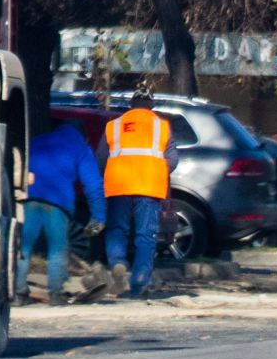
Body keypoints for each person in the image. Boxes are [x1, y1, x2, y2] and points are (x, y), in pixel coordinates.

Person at [100, 92, 178, 299]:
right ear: (151, 105)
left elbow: (101, 157)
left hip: (119, 184)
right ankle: (140, 282)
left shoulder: (114, 125)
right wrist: (157, 171)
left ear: (131, 104)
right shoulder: (161, 126)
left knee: (117, 229)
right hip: (149, 186)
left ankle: (117, 261)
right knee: (146, 235)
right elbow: (172, 159)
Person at [21, 120, 106, 303]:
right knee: (58, 248)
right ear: (85, 136)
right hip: (58, 202)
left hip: (29, 197)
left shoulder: (37, 140)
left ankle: (17, 293)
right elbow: (93, 185)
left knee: (23, 246)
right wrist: (98, 217)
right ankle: (56, 294)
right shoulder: (81, 148)